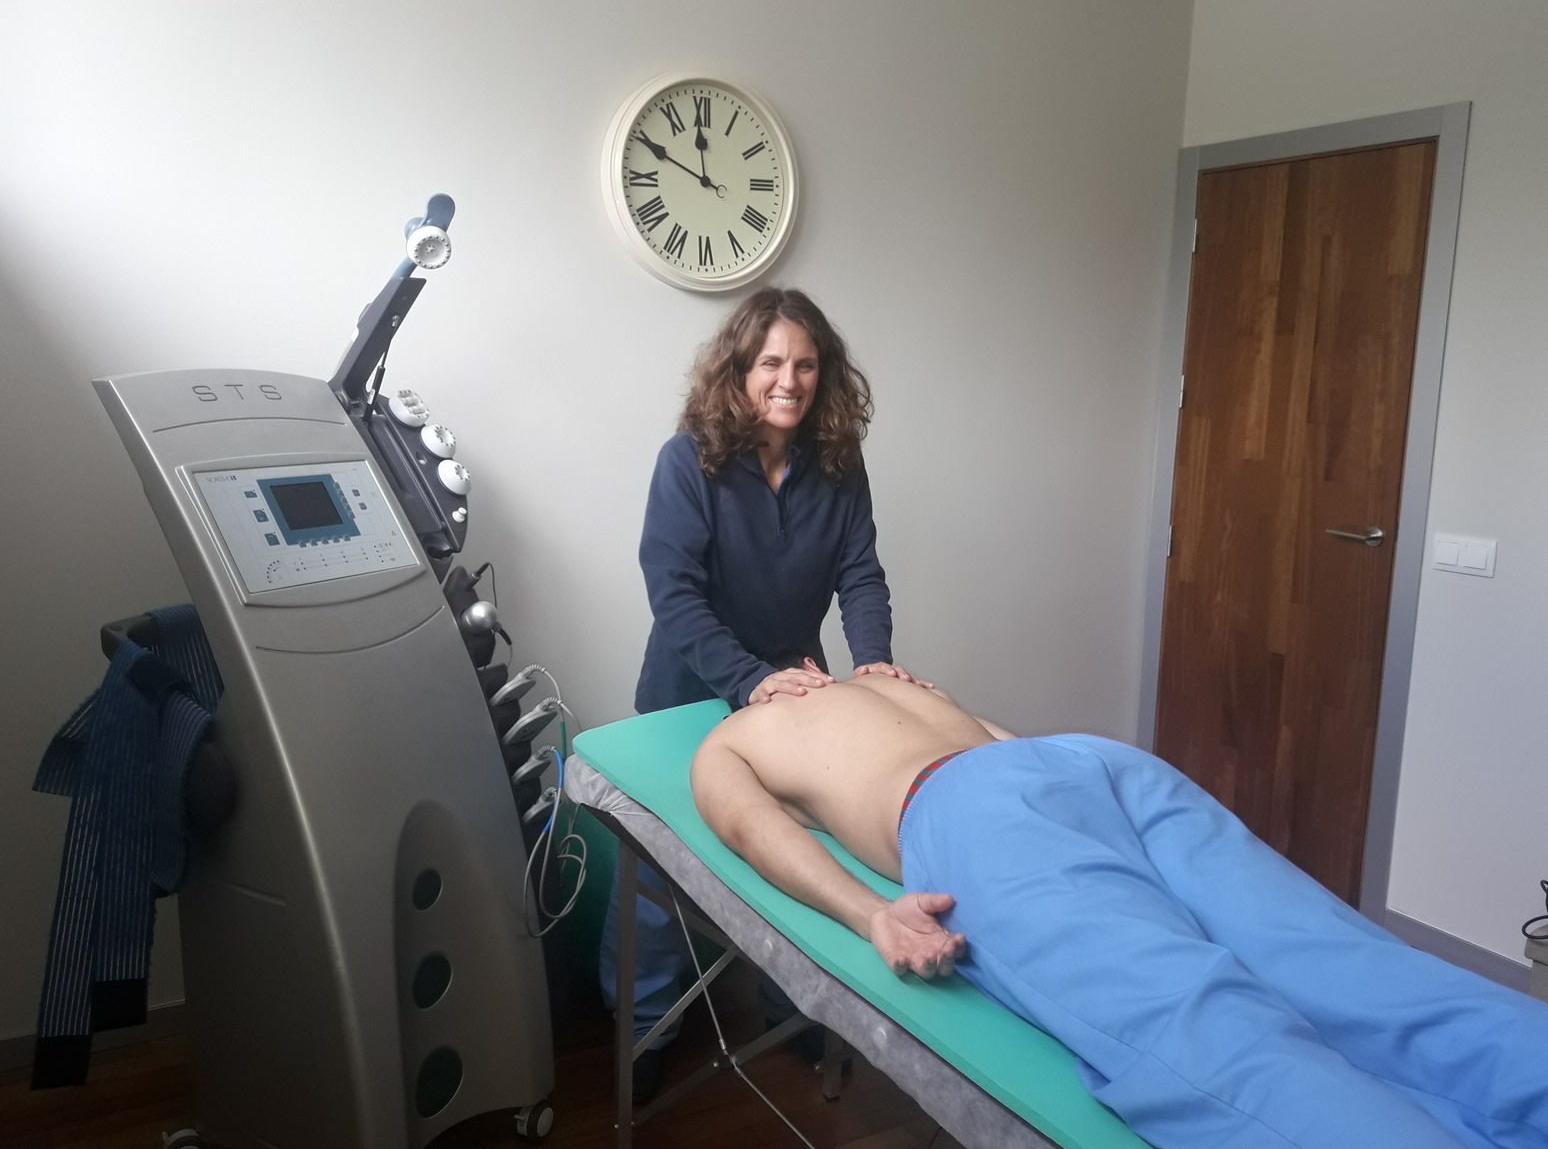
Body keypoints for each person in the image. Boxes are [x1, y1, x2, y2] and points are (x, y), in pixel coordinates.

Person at [690, 674, 1548, 1149]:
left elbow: (750, 824)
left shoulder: (742, 733)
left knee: (1208, 1032)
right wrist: (873, 911)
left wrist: (873, 909)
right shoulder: (884, 682)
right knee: (1346, 963)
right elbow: (759, 825)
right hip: (1083, 761)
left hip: (973, 808)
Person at [601, 288, 924, 1099]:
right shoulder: (690, 461)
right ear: (740, 370)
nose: (791, 379)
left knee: (801, 849)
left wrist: (875, 661)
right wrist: (746, 679)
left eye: (806, 364)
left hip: (793, 692)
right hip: (693, 688)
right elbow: (672, 593)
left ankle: (794, 1001)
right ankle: (642, 1029)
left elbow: (860, 574)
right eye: (772, 362)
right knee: (663, 873)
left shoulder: (839, 468)